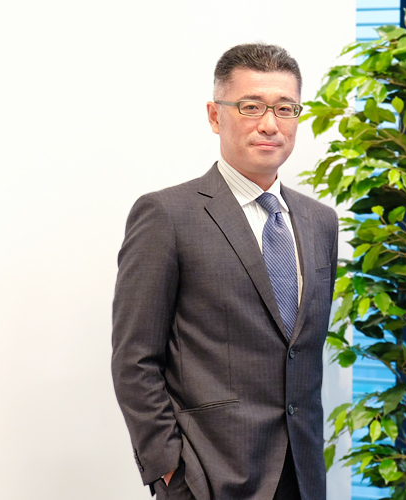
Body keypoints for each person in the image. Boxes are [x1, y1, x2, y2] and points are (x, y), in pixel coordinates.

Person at [111, 44, 338, 500]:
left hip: (303, 475)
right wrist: (170, 470)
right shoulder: (167, 215)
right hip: (209, 476)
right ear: (216, 116)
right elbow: (135, 359)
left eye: (285, 108)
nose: (270, 124)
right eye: (251, 107)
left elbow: (300, 352)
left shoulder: (320, 221)